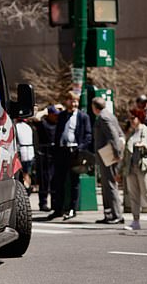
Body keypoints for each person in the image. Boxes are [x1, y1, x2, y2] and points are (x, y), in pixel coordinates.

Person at [48, 91, 92, 220]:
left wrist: (80, 148)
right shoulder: (62, 116)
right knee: (59, 181)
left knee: (74, 182)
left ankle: (73, 209)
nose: (74, 104)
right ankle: (58, 209)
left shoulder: (83, 116)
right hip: (62, 150)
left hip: (75, 151)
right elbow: (58, 133)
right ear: (66, 101)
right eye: (71, 101)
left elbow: (88, 135)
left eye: (76, 101)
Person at [91, 97, 124, 224]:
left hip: (109, 156)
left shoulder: (104, 118)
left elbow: (113, 136)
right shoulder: (109, 115)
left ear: (94, 107)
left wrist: (117, 154)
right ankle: (109, 214)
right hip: (107, 155)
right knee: (106, 185)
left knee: (110, 185)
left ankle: (116, 215)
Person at [33, 104, 62, 211]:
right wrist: (45, 111)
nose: (56, 117)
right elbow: (36, 117)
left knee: (55, 181)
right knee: (44, 181)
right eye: (54, 115)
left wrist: (60, 107)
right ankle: (43, 203)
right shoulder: (43, 123)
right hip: (45, 156)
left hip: (56, 156)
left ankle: (55, 203)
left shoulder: (59, 123)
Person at [15, 118, 35, 195]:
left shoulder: (16, 126)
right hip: (30, 152)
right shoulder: (28, 127)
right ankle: (27, 188)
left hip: (22, 152)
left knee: (23, 173)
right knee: (27, 173)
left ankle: (26, 189)